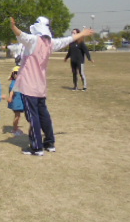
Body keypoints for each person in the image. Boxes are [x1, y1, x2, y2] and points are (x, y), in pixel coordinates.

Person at [10, 16, 94, 155]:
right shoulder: (51, 43)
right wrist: (82, 33)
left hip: (29, 86)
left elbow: (21, 35)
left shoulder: (33, 40)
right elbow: (67, 39)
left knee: (33, 116)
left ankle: (37, 147)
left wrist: (13, 26)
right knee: (43, 114)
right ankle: (49, 143)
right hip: (41, 87)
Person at [7, 66, 24, 135]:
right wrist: (10, 97)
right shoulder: (15, 83)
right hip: (16, 103)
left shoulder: (18, 82)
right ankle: (15, 129)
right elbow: (12, 91)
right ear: (13, 74)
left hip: (18, 102)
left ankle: (16, 127)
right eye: (17, 73)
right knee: (17, 116)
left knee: (18, 116)